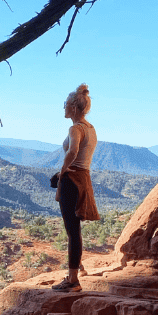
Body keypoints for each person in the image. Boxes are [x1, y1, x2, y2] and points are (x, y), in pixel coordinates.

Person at [52, 83, 99, 292]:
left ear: (73, 107)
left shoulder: (75, 128)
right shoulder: (90, 128)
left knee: (72, 230)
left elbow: (72, 151)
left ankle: (72, 279)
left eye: (65, 104)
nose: (63, 108)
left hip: (73, 179)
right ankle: (76, 269)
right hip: (84, 177)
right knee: (75, 230)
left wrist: (63, 171)